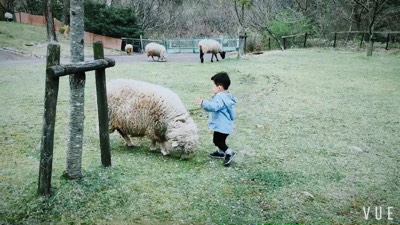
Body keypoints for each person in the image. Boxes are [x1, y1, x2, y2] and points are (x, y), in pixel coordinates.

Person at [197, 72, 237, 166]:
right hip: (225, 126)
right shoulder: (227, 96)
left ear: (219, 87)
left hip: (221, 126)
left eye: (213, 85)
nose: (212, 88)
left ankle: (229, 152)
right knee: (220, 141)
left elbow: (213, 107)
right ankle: (221, 152)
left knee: (217, 141)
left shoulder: (219, 97)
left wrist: (203, 103)